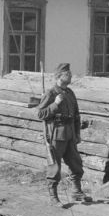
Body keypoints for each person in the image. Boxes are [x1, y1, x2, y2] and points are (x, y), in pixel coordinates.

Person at [37, 63, 91, 206]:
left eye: (70, 73)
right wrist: (55, 104)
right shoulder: (51, 93)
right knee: (54, 167)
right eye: (67, 73)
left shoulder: (70, 93)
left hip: (70, 135)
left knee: (76, 163)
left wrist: (77, 133)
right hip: (56, 135)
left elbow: (76, 115)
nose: (70, 75)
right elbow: (41, 114)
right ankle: (54, 197)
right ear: (59, 76)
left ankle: (77, 192)